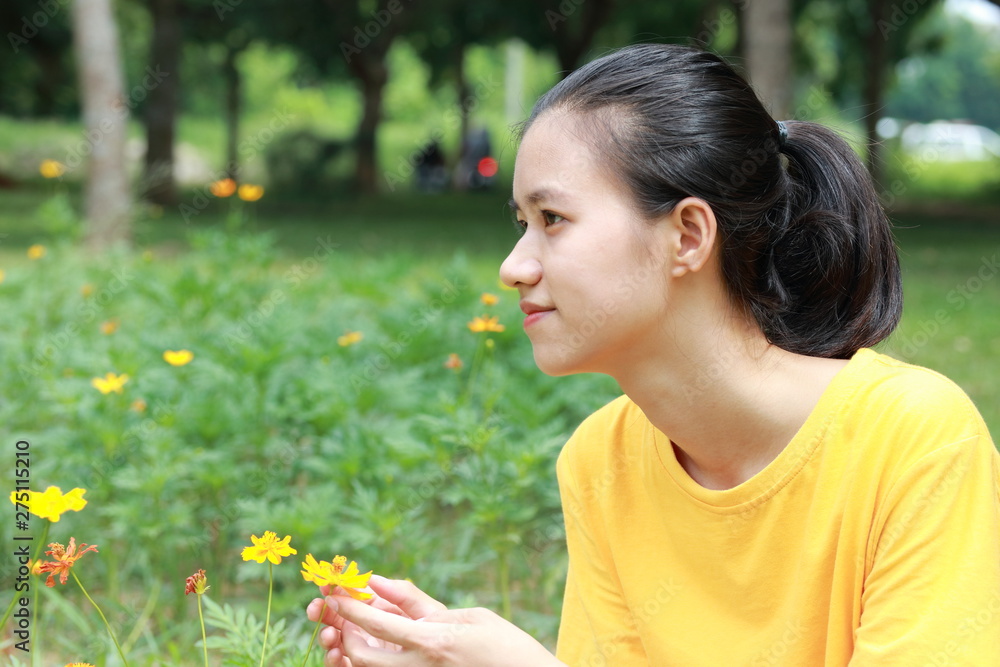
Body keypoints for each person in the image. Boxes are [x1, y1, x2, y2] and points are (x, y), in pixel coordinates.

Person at [306, 43, 1000, 665]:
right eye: (522, 224)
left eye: (553, 220)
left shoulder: (916, 443)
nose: (514, 267)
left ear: (689, 236)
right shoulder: (600, 460)